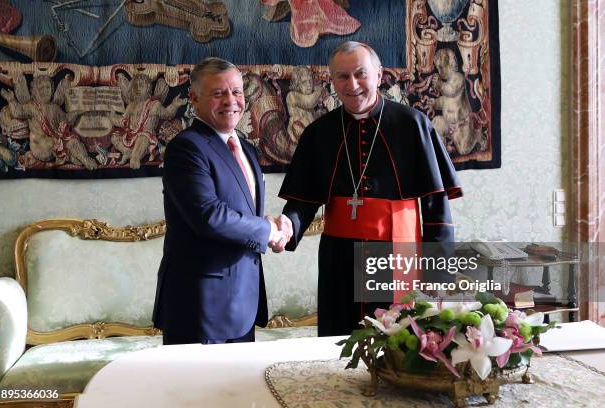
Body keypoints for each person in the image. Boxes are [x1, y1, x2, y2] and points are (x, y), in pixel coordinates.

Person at [275, 41, 463, 336]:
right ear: (332, 81)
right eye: (342, 76)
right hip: (339, 259)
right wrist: (287, 226)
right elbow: (302, 201)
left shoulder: (412, 125)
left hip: (396, 254)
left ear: (379, 74)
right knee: (339, 343)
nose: (352, 84)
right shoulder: (319, 133)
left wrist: (437, 272)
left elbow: (436, 207)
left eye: (360, 74)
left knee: (398, 342)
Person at [152, 57, 286, 345]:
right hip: (200, 307)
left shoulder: (247, 150)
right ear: (194, 99)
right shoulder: (186, 148)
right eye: (218, 93)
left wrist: (275, 226)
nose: (231, 100)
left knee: (241, 390)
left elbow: (240, 211)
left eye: (236, 92)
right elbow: (209, 217)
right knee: (195, 391)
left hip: (241, 303)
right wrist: (269, 231)